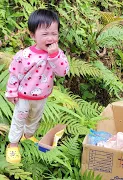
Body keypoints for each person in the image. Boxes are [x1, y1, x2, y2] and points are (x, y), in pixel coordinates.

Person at [5, 9, 69, 164]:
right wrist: (12, 92)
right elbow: (15, 74)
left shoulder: (57, 54)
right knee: (19, 119)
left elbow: (62, 72)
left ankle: (28, 136)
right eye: (45, 34)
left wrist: (54, 56)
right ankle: (13, 144)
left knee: (35, 118)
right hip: (24, 96)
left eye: (54, 33)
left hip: (42, 96)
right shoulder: (24, 55)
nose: (50, 38)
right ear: (33, 35)